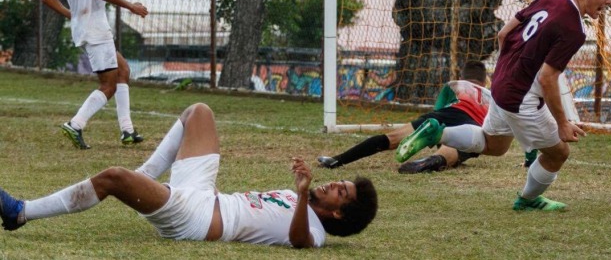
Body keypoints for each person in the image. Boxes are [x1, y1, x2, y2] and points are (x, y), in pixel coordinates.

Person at [0, 103, 378, 248]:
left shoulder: (314, 232)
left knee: (112, 178)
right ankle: (146, 174)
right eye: (339, 183)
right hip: (205, 195)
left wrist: (301, 193)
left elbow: (298, 242)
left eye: (340, 193)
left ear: (338, 215)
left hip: (196, 219)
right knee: (199, 112)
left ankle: (20, 211)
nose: (332, 185)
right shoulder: (308, 202)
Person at [396, 0, 611, 211]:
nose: (608, 1)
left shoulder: (548, 0)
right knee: (558, 153)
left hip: (502, 81)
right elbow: (547, 78)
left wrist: (509, 69)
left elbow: (503, 34)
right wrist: (562, 123)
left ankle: (437, 133)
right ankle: (528, 200)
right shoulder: (574, 28)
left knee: (494, 145)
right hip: (521, 97)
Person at [317, 61, 536, 174]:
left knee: (392, 137)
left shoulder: (456, 84)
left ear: (463, 76)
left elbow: (440, 105)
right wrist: (529, 159)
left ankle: (337, 160)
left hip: (448, 112)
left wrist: (434, 120)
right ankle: (431, 161)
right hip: (475, 125)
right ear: (484, 80)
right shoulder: (493, 95)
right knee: (456, 149)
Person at [41, 0, 149, 149]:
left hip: (85, 28)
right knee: (108, 86)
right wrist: (131, 7)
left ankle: (127, 130)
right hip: (97, 30)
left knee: (123, 70)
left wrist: (72, 15)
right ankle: (76, 124)